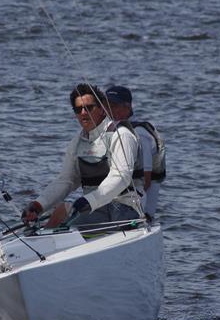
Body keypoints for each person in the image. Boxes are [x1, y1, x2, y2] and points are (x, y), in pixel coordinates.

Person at [21, 83, 142, 229]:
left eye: (89, 108)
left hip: (124, 208)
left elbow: (121, 177)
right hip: (92, 209)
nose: (83, 113)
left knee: (67, 225)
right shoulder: (76, 143)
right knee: (59, 214)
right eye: (78, 109)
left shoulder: (121, 135)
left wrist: (89, 201)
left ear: (102, 109)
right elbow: (66, 180)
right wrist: (38, 205)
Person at [105, 85, 166, 220]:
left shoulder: (139, 135)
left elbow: (146, 181)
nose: (108, 109)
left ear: (127, 107)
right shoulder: (112, 131)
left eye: (114, 105)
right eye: (106, 105)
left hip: (140, 209)